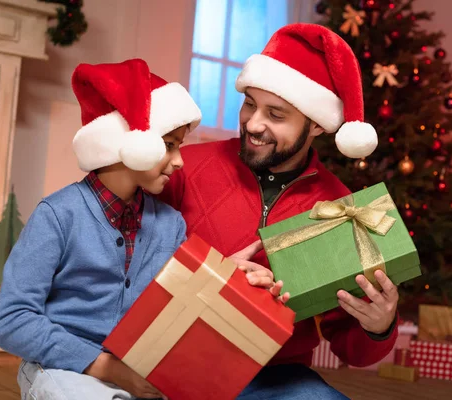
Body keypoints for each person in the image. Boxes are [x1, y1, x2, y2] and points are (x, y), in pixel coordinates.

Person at [0, 58, 285, 400]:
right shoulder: (58, 215)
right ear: (131, 142)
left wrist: (226, 278)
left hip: (138, 374)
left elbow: (178, 304)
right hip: (60, 368)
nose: (179, 161)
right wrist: (109, 369)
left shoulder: (170, 224)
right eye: (170, 145)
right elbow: (10, 320)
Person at [159, 23, 399, 398]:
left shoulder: (339, 207)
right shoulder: (183, 168)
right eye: (250, 104)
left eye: (276, 114)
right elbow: (127, 269)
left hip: (275, 377)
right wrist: (211, 277)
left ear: (317, 124)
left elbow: (349, 346)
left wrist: (379, 326)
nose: (254, 124)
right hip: (176, 357)